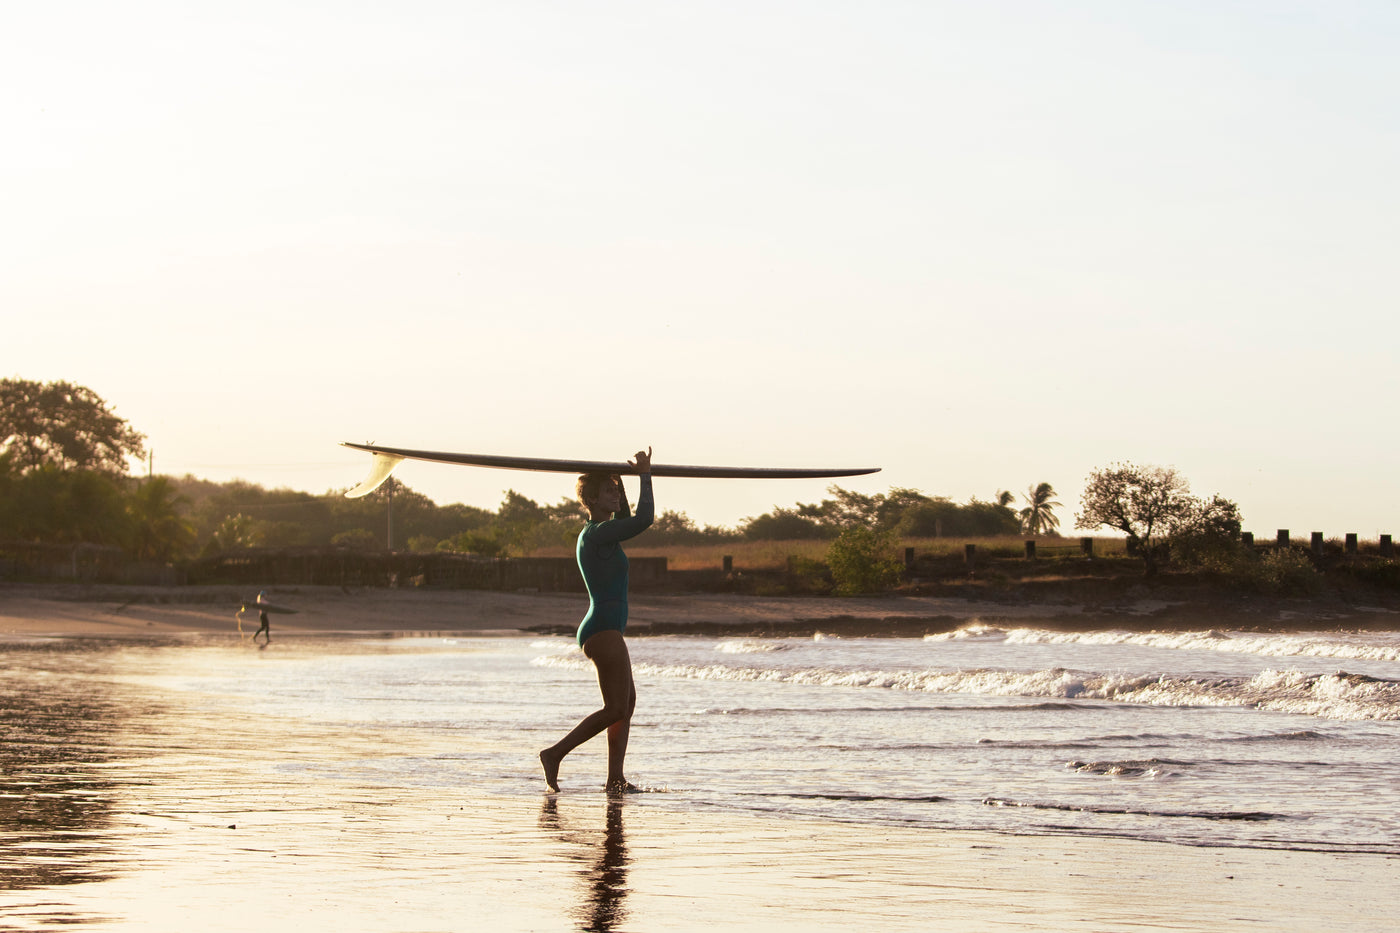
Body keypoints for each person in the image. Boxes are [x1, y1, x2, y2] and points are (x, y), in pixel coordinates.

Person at [540, 447, 654, 794]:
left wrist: (626, 480)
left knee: (626, 704)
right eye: (608, 491)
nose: (615, 495)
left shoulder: (603, 531)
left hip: (606, 629)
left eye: (616, 490)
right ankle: (555, 753)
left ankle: (615, 777)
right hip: (602, 630)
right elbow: (643, 520)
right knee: (615, 706)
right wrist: (646, 476)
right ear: (590, 498)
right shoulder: (595, 534)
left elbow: (628, 518)